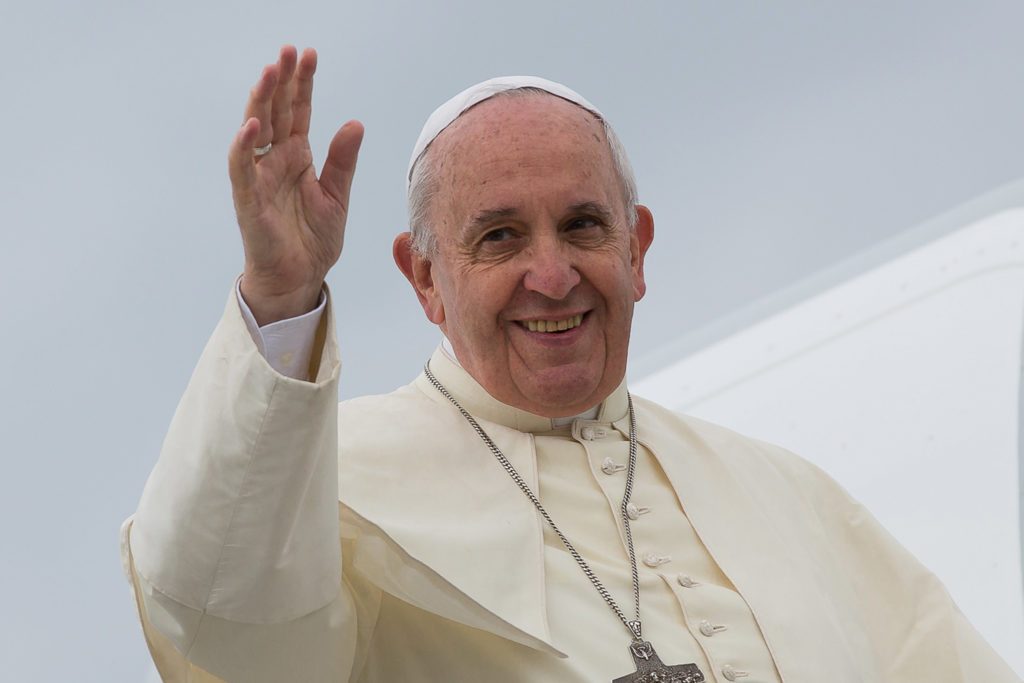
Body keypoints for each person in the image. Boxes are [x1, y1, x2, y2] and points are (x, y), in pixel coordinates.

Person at [121, 45, 1019, 683]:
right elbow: (228, 626)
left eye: (584, 226)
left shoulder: (786, 494)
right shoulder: (329, 489)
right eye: (500, 236)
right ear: (423, 278)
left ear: (638, 248)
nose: (550, 276)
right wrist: (280, 296)